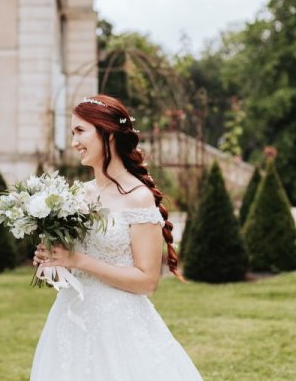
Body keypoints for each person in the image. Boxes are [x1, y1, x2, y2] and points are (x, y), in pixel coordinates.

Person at [30, 94, 202, 380]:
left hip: (119, 326)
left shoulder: (138, 198)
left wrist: (80, 260)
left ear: (107, 134)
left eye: (80, 131)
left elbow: (147, 281)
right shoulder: (77, 195)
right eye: (72, 132)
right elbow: (72, 267)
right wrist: (55, 260)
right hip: (71, 319)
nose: (74, 142)